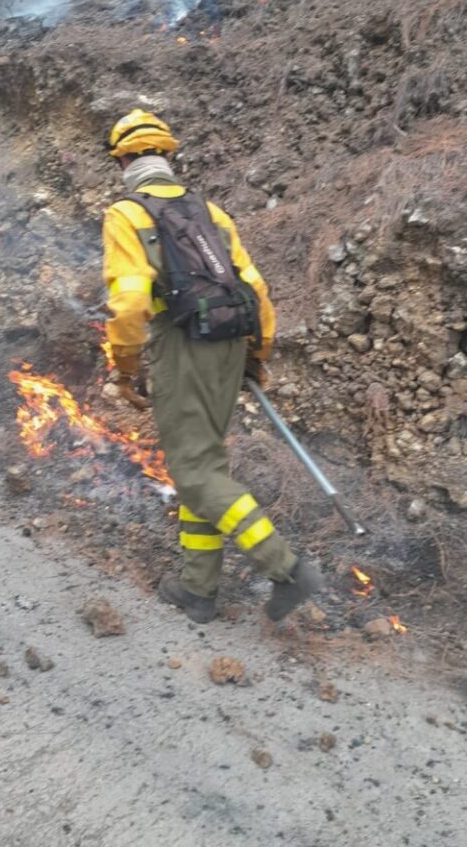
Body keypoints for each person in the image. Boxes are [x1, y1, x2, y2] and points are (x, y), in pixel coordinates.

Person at [102, 109, 323, 623]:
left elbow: (130, 301)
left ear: (126, 159)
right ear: (167, 156)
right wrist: (256, 356)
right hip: (229, 344)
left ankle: (287, 570)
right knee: (203, 468)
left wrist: (125, 367)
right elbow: (257, 289)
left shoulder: (126, 215)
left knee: (197, 472)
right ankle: (197, 589)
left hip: (182, 346)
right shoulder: (211, 212)